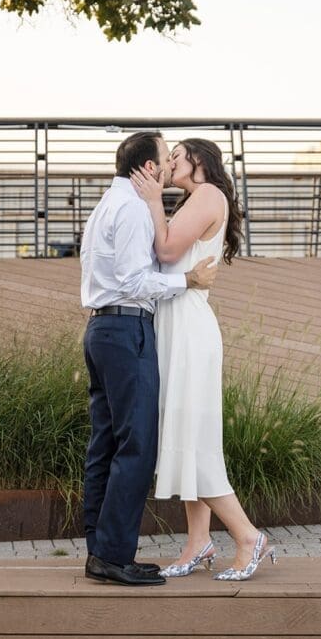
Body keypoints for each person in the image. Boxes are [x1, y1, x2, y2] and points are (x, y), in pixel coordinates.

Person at [129, 138, 278, 581]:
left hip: (190, 329)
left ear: (199, 161)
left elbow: (168, 252)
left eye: (177, 156)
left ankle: (249, 537)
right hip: (178, 323)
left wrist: (154, 200)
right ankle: (198, 542)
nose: (169, 162)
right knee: (186, 435)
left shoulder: (208, 195)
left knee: (195, 438)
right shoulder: (199, 200)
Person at [80, 131, 220, 587]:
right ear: (148, 169)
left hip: (101, 329)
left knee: (105, 444)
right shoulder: (134, 209)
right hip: (126, 331)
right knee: (136, 445)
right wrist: (189, 282)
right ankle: (114, 556)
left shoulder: (108, 203)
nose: (168, 163)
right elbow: (135, 279)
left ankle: (101, 551)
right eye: (164, 157)